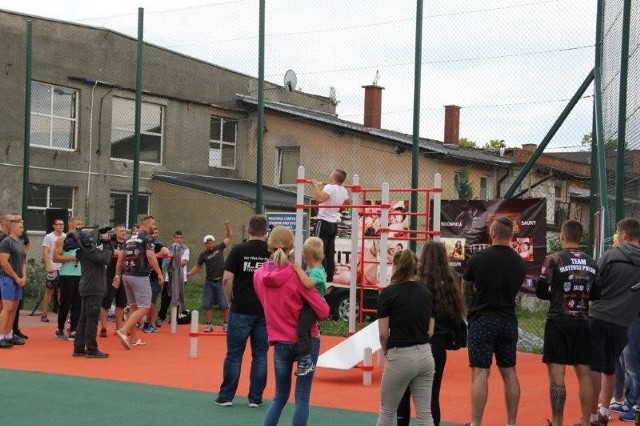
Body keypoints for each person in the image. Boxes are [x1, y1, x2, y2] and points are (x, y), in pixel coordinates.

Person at [253, 226, 330, 425]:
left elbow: (265, 301)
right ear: (291, 248)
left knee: (279, 396)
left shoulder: (259, 276)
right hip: (306, 340)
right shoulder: (297, 276)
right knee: (302, 397)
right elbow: (323, 311)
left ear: (269, 245)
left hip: (280, 341)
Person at [461, 216, 526, 426]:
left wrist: (473, 302)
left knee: (480, 371)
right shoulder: (519, 262)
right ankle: (511, 422)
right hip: (508, 319)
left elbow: (465, 287)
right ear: (511, 235)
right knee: (509, 371)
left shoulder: (479, 258)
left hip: (483, 318)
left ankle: (475, 423)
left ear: (492, 233)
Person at [396, 240, 465, 426]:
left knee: (404, 394)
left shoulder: (417, 283)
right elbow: (456, 317)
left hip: (413, 342)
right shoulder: (450, 284)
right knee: (432, 397)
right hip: (438, 345)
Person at [535, 220, 598, 426]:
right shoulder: (592, 262)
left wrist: (555, 293)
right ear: (580, 238)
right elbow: (597, 292)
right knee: (584, 374)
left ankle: (557, 421)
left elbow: (541, 290)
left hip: (558, 320)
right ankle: (587, 422)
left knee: (557, 375)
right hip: (583, 321)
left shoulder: (553, 259)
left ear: (562, 236)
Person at [587, 218, 640, 425]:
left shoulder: (610, 256)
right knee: (611, 367)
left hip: (599, 316)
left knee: (595, 367)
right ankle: (605, 412)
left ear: (624, 234)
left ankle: (591, 415)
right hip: (624, 322)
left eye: (617, 233)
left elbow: (593, 287)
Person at [216, 215, 270, 408]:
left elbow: (226, 279)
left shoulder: (239, 250)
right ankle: (255, 398)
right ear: (266, 231)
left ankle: (226, 396)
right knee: (260, 355)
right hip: (264, 311)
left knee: (234, 354)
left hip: (240, 309)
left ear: (249, 230)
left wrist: (230, 302)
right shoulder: (271, 252)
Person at [376, 248, 436, 426]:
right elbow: (430, 331)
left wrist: (388, 352)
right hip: (425, 355)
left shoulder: (388, 293)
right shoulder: (426, 293)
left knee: (387, 412)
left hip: (400, 354)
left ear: (395, 266)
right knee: (425, 415)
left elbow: (382, 333)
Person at [113, 216, 164, 349]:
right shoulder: (147, 237)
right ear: (146, 223)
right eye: (153, 223)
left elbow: (120, 259)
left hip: (126, 275)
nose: (155, 226)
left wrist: (117, 275)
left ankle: (133, 339)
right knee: (145, 307)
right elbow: (151, 256)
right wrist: (159, 273)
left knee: (134, 306)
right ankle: (123, 331)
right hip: (140, 276)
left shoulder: (129, 237)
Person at [73, 227, 113, 358]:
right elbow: (105, 258)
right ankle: (91, 349)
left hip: (87, 288)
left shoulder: (84, 251)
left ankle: (79, 348)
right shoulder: (90, 251)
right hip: (94, 288)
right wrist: (107, 243)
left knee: (84, 318)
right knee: (92, 319)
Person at [187, 220, 233, 333]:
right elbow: (198, 267)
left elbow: (229, 236)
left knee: (224, 305)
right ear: (204, 244)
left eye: (211, 242)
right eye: (207, 243)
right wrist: (188, 274)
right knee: (207, 305)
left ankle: (226, 324)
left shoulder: (219, 248)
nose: (210, 244)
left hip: (220, 282)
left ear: (214, 242)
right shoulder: (203, 255)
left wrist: (227, 225)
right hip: (209, 282)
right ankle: (208, 325)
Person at [291, 236, 327, 376]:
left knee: (302, 328)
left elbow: (308, 284)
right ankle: (303, 354)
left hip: (313, 306)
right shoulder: (315, 270)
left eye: (304, 253)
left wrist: (299, 270)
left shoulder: (317, 271)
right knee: (303, 327)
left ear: (308, 256)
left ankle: (306, 360)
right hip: (310, 305)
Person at [310, 169, 348, 283]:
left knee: (317, 250)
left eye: (331, 173)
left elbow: (319, 198)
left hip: (324, 221)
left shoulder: (330, 187)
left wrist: (314, 185)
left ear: (334, 177)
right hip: (333, 223)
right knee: (330, 253)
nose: (329, 175)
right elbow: (347, 203)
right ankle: (329, 278)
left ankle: (320, 277)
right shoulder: (343, 190)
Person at [53, 216, 83, 340]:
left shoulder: (83, 239)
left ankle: (74, 330)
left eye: (81, 224)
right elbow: (56, 258)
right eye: (78, 224)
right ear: (71, 225)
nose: (80, 226)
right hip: (67, 275)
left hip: (80, 275)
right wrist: (72, 258)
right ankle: (60, 328)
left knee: (78, 304)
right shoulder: (62, 239)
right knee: (65, 303)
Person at [0, 217, 27, 348]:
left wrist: (24, 277)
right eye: (21, 227)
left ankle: (8, 334)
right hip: (7, 279)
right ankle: (0, 336)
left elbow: (23, 262)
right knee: (7, 308)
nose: (23, 229)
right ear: (13, 228)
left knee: (14, 309)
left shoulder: (20, 242)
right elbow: (4, 263)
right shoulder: (6, 242)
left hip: (18, 280)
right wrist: (16, 277)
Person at [99, 224, 127, 337]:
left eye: (125, 231)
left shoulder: (128, 243)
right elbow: (111, 252)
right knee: (106, 303)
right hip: (110, 275)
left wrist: (120, 253)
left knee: (121, 303)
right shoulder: (110, 242)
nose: (124, 233)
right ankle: (103, 328)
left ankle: (118, 328)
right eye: (121, 231)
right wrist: (120, 253)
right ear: (116, 232)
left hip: (124, 276)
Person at [41, 218, 65, 323]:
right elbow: (45, 252)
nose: (60, 226)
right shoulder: (49, 237)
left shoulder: (66, 236)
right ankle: (44, 313)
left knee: (62, 291)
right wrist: (48, 265)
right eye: (58, 224)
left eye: (62, 224)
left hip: (64, 269)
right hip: (53, 268)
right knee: (49, 291)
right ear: (54, 226)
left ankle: (62, 313)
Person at [166, 230, 190, 316]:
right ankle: (162, 317)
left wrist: (174, 260)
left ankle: (176, 317)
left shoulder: (185, 249)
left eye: (180, 238)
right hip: (169, 277)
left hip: (181, 277)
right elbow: (167, 262)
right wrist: (174, 260)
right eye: (177, 238)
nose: (178, 240)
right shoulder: (169, 248)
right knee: (166, 298)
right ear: (174, 238)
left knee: (178, 297)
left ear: (182, 239)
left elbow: (183, 263)